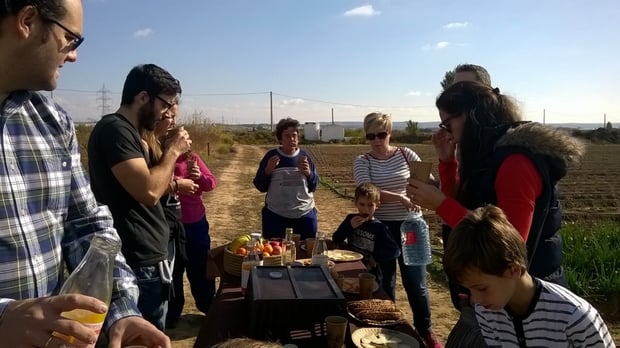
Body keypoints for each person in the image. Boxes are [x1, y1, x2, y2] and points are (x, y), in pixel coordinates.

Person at [0, 1, 170, 347]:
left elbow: (87, 226)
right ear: (28, 21)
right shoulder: (114, 130)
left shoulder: (53, 122)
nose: (73, 56)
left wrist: (122, 309)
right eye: (72, 39)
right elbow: (148, 190)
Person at [406, 82, 584, 346]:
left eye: (447, 123)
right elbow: (469, 203)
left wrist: (442, 204)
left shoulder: (515, 162)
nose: (449, 133)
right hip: (497, 293)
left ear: (470, 115)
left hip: (522, 300)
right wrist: (447, 161)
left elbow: (508, 242)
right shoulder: (491, 155)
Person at [88, 64, 192, 331]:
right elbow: (149, 191)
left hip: (148, 255)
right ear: (143, 97)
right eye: (165, 104)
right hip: (137, 258)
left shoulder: (131, 133)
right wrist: (173, 151)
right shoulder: (115, 129)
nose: (165, 113)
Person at [443, 205, 615, 347]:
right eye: (470, 290)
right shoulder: (487, 312)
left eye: (481, 288)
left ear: (514, 269)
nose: (475, 299)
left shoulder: (575, 318)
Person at [353, 112, 442, 348]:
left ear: (390, 133)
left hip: (411, 225)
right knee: (385, 282)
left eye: (381, 134)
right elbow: (368, 191)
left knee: (417, 284)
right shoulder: (363, 161)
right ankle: (387, 328)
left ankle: (426, 332)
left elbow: (426, 180)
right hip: (381, 228)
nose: (376, 140)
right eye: (370, 135)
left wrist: (436, 185)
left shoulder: (406, 154)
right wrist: (402, 198)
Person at [167, 145, 217, 326]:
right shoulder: (158, 158)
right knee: (173, 270)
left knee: (201, 267)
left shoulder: (191, 158)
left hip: (195, 223)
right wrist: (178, 184)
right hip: (170, 225)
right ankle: (171, 314)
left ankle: (207, 307)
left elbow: (211, 183)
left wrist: (199, 177)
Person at [253, 117, 319, 240]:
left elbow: (314, 185)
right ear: (280, 139)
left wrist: (309, 173)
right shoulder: (271, 156)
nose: (291, 139)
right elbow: (259, 185)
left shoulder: (305, 157)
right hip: (276, 216)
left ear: (298, 138)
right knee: (275, 255)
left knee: (306, 254)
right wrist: (268, 170)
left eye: (294, 135)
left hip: (304, 215)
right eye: (287, 136)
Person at [332, 183, 400, 295]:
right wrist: (349, 226)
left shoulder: (379, 227)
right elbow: (336, 238)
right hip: (351, 265)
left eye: (370, 205)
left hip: (370, 272)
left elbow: (394, 250)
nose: (365, 209)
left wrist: (375, 258)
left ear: (377, 205)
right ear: (355, 203)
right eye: (362, 204)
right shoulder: (350, 219)